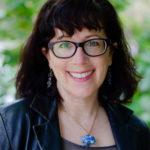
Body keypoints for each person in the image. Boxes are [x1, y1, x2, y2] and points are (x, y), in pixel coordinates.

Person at [0, 0, 150, 149]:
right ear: (48, 56)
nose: (80, 60)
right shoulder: (9, 124)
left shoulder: (137, 132)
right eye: (64, 44)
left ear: (110, 53)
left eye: (92, 43)